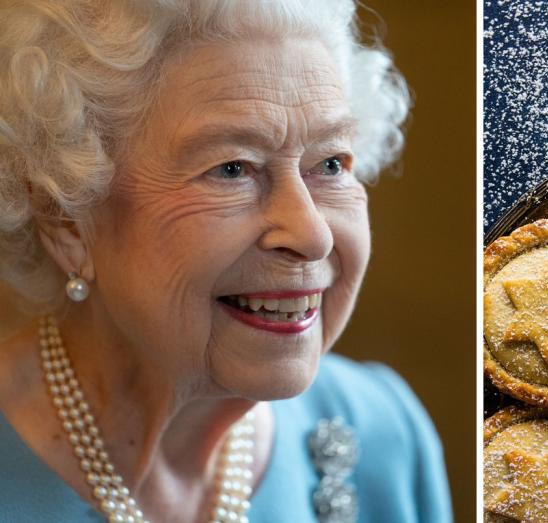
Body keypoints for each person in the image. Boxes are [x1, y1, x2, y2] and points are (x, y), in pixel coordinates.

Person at [0, 1, 452, 521]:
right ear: (67, 217)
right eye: (232, 169)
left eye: (331, 163)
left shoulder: (384, 432)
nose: (311, 235)